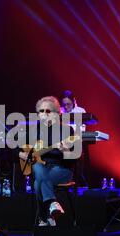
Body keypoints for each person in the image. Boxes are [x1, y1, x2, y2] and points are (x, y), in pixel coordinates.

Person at [19, 96, 79, 226]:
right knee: (38, 167)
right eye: (41, 111)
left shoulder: (67, 130)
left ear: (57, 113)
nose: (44, 114)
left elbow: (74, 158)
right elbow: (15, 150)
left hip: (61, 170)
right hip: (42, 169)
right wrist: (21, 154)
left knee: (37, 183)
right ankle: (52, 205)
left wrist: (64, 151)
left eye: (48, 111)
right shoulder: (33, 131)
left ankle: (43, 218)